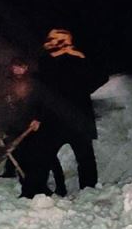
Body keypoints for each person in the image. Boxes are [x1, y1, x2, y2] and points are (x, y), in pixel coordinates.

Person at [0, 56, 66, 197]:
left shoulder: (35, 82)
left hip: (35, 126)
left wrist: (38, 119)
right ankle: (30, 188)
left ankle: (60, 187)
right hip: (17, 125)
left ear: (26, 67)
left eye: (20, 66)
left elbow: (44, 103)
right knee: (22, 157)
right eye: (15, 66)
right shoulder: (7, 82)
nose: (17, 69)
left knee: (47, 157)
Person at [37, 28, 98, 190]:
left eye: (59, 40)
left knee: (85, 159)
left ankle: (89, 190)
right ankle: (36, 189)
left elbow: (97, 79)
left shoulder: (78, 59)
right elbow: (42, 88)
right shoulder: (45, 61)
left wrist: (81, 57)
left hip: (78, 119)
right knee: (43, 156)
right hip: (54, 119)